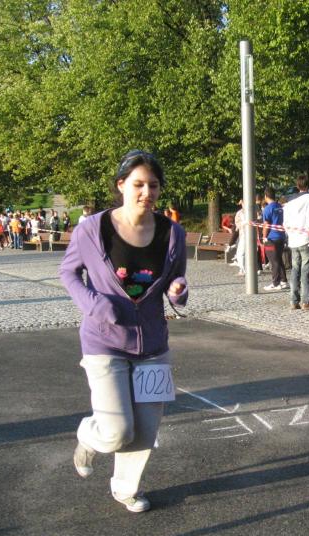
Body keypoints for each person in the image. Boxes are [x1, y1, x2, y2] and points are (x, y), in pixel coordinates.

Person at [59, 150, 189, 512]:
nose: (146, 192)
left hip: (153, 344)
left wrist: (178, 289)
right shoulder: (92, 229)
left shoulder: (173, 233)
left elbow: (177, 278)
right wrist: (94, 305)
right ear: (121, 186)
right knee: (118, 431)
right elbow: (68, 272)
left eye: (153, 185)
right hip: (104, 341)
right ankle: (90, 435)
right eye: (138, 184)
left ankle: (125, 489)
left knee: (145, 431)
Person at [283, 174, 309, 310]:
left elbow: (285, 222)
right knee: (306, 271)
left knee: (295, 270)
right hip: (305, 238)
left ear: (297, 186)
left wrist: (290, 234)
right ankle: (307, 301)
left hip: (293, 239)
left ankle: (293, 300)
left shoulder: (289, 202)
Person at [261, 187, 287, 291]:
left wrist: (264, 237)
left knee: (273, 261)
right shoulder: (279, 206)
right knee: (279, 259)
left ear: (266, 196)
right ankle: (283, 281)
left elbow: (266, 224)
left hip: (271, 238)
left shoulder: (267, 209)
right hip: (281, 236)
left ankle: (276, 283)